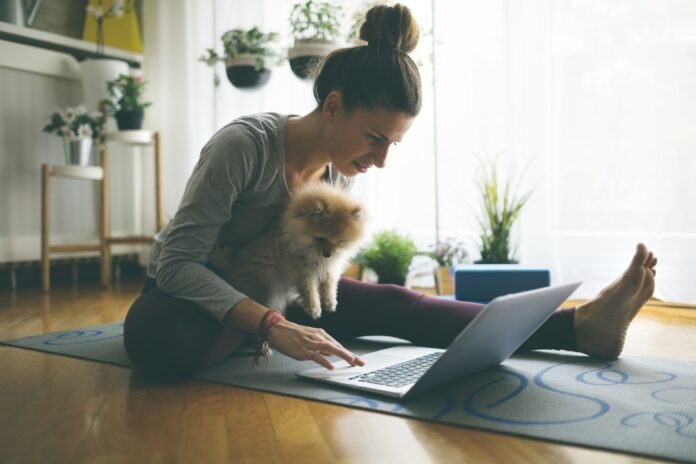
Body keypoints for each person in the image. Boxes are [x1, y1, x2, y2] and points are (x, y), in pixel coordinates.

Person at [123, 4, 658, 379]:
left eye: (393, 145)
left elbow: (315, 272)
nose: (380, 160)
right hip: (192, 295)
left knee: (399, 304)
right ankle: (258, 332)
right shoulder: (243, 147)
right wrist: (273, 325)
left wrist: (288, 312)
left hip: (283, 292)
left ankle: (579, 327)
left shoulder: (338, 166)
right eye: (376, 138)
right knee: (158, 344)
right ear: (333, 106)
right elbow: (176, 264)